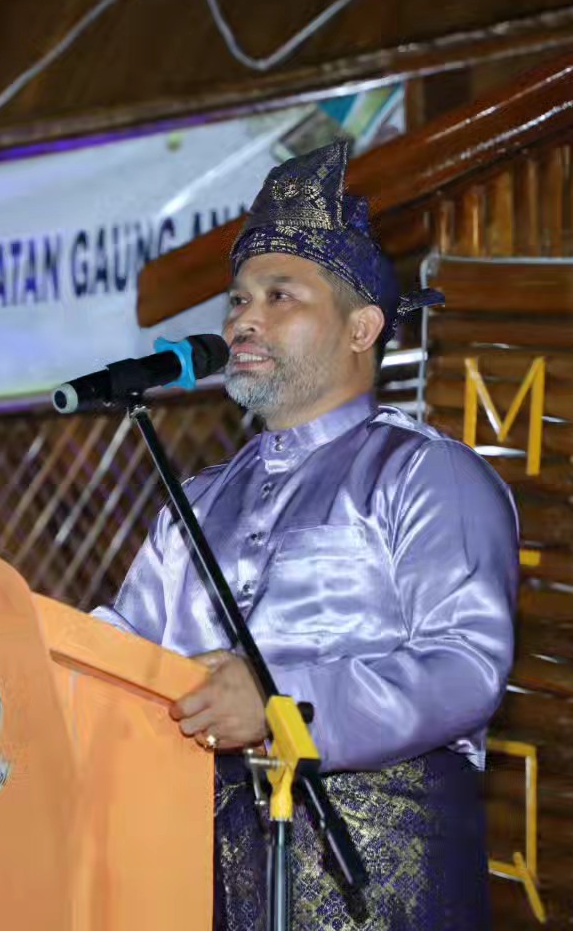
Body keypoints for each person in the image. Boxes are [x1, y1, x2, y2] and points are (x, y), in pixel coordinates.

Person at [91, 139, 518, 930]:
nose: (242, 319)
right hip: (203, 874)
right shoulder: (197, 502)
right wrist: (29, 654)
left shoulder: (427, 475)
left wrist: (281, 703)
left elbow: (465, 666)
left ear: (362, 327)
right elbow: (121, 656)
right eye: (236, 300)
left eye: (278, 296)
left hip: (377, 881)